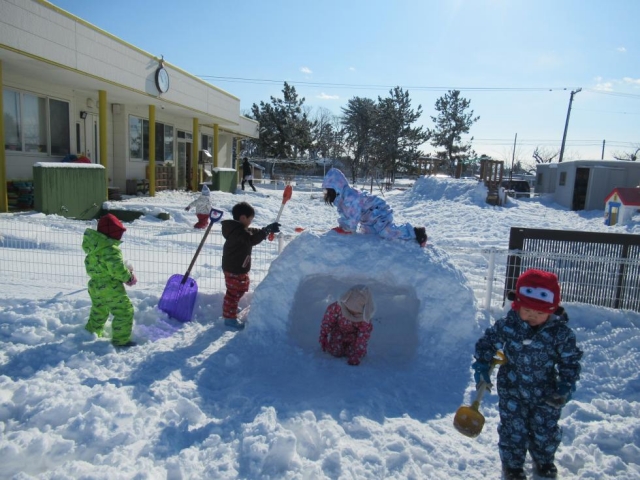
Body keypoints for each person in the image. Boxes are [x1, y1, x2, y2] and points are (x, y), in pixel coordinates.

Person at [472, 269, 582, 480]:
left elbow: (570, 360)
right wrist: (482, 365)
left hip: (546, 392)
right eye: (527, 310)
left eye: (540, 313)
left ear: (552, 311)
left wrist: (566, 384)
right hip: (512, 388)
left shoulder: (560, 333)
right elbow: (487, 343)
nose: (533, 316)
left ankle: (544, 460)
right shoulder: (508, 326)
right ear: (517, 305)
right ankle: (513, 466)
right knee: (513, 430)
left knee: (546, 429)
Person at [321, 168, 427, 247]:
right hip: (369, 218)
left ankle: (417, 232)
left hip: (379, 212)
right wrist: (341, 227)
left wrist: (345, 228)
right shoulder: (342, 199)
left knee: (385, 232)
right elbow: (346, 216)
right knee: (371, 236)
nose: (327, 194)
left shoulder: (351, 197)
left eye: (329, 191)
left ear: (337, 188)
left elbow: (352, 220)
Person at [220, 202, 280, 329]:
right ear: (243, 218)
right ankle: (229, 318)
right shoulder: (237, 233)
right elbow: (250, 239)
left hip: (238, 267)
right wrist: (266, 231)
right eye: (250, 219)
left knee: (240, 289)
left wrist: (265, 230)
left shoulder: (239, 229)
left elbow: (251, 232)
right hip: (233, 268)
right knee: (233, 293)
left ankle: (231, 308)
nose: (251, 222)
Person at [83, 213, 138, 347]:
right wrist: (129, 277)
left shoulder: (93, 247)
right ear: (112, 234)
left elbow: (103, 266)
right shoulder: (110, 250)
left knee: (99, 311)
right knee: (124, 312)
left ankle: (90, 333)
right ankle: (121, 341)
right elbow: (116, 269)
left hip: (94, 285)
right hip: (110, 287)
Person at [319, 285, 375, 366]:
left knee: (354, 352)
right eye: (348, 311)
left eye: (354, 314)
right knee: (335, 351)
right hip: (338, 331)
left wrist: (357, 353)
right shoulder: (337, 307)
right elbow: (328, 321)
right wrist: (324, 335)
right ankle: (338, 345)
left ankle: (351, 350)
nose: (350, 315)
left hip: (354, 336)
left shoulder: (365, 318)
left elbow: (363, 336)